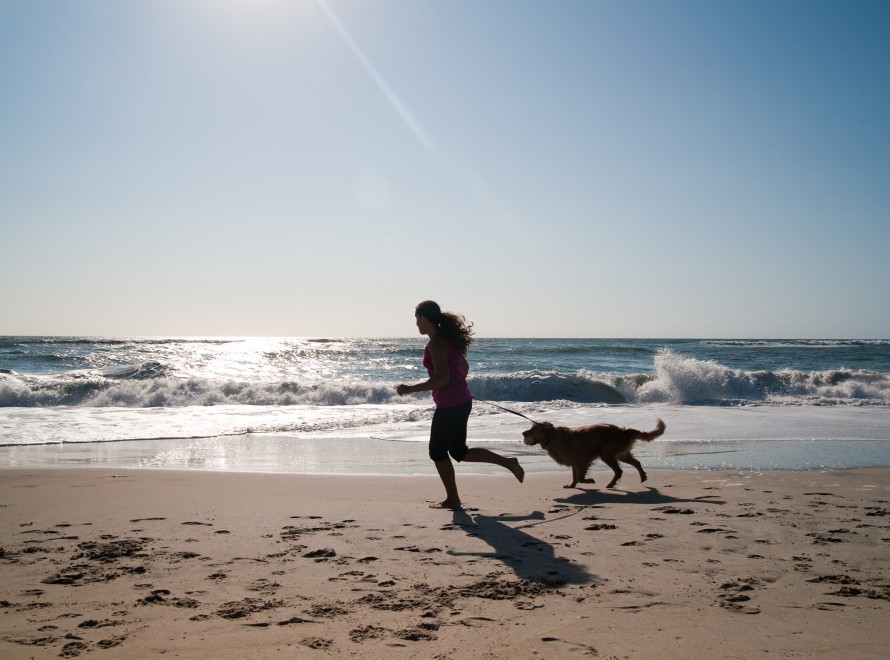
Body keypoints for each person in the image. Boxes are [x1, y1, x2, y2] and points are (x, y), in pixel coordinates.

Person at [397, 300, 524, 509]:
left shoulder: (436, 343)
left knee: (437, 452)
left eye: (417, 319)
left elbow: (441, 380)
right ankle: (508, 462)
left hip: (450, 405)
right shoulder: (446, 339)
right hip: (461, 401)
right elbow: (464, 368)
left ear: (424, 318)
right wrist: (458, 388)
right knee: (459, 452)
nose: (416, 324)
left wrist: (409, 388)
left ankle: (453, 499)